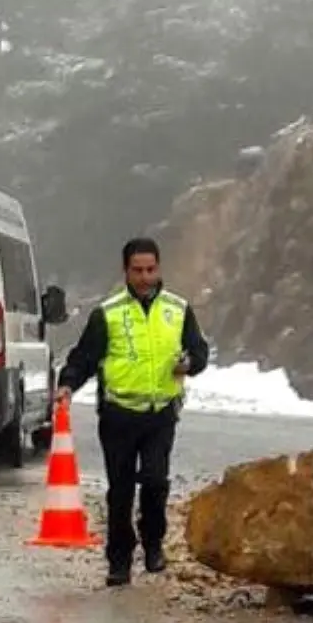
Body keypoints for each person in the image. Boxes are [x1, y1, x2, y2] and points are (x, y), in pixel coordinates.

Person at [56, 238, 210, 587]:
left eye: (150, 269)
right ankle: (119, 560)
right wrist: (68, 384)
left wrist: (190, 363)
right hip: (118, 415)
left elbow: (199, 351)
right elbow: (84, 357)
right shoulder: (107, 314)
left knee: (156, 481)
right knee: (121, 490)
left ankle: (153, 542)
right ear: (125, 271)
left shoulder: (178, 309)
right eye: (137, 270)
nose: (145, 277)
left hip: (160, 413)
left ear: (159, 269)